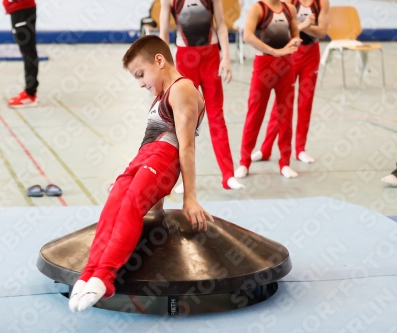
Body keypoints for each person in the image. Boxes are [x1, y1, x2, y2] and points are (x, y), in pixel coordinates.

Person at [68, 35, 214, 312]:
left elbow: (187, 146)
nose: (141, 83)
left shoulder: (182, 89)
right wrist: (131, 172)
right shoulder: (161, 95)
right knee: (113, 206)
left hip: (164, 158)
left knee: (130, 206)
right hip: (145, 158)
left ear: (159, 61)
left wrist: (190, 197)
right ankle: (88, 274)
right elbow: (149, 141)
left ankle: (105, 276)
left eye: (141, 74)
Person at [159, 0, 244, 192]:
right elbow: (164, 33)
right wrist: (165, 67)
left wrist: (226, 59)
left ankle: (228, 175)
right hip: (185, 59)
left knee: (216, 116)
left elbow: (221, 25)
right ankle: (186, 180)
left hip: (211, 57)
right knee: (187, 121)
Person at [251, 0, 329, 164]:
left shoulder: (322, 2)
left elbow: (322, 32)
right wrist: (305, 24)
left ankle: (300, 149)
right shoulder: (289, 3)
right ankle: (265, 149)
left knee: (305, 102)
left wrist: (303, 26)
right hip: (291, 53)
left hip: (311, 56)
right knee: (281, 105)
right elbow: (281, 30)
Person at [235, 0, 302, 179]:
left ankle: (285, 162)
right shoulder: (258, 8)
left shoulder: (290, 10)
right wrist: (274, 51)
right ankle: (244, 162)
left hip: (286, 66)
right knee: (255, 114)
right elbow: (247, 36)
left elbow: (295, 34)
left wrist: (295, 41)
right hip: (264, 67)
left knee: (285, 115)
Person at [3, 0, 40, 108]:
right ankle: (30, 92)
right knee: (27, 51)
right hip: (18, 9)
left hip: (22, 9)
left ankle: (30, 94)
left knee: (28, 52)